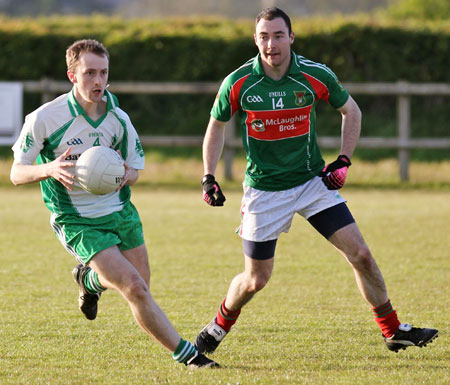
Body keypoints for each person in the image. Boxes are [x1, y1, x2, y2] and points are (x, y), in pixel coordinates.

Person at [196, 7, 438, 355]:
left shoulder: (314, 74)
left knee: (361, 254)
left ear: (291, 37)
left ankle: (392, 329)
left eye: (278, 35)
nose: (271, 43)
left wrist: (343, 160)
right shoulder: (238, 82)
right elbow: (216, 126)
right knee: (255, 280)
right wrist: (208, 176)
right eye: (264, 36)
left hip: (312, 183)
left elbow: (351, 110)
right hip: (264, 190)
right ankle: (218, 326)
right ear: (255, 40)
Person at [10, 39, 219, 369]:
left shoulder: (118, 119)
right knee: (134, 287)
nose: (98, 81)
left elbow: (136, 170)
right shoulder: (45, 118)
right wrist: (48, 168)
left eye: (103, 73)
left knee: (142, 286)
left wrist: (124, 174)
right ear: (72, 75)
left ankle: (88, 281)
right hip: (77, 220)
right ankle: (190, 357)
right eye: (89, 73)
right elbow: (16, 173)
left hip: (120, 213)